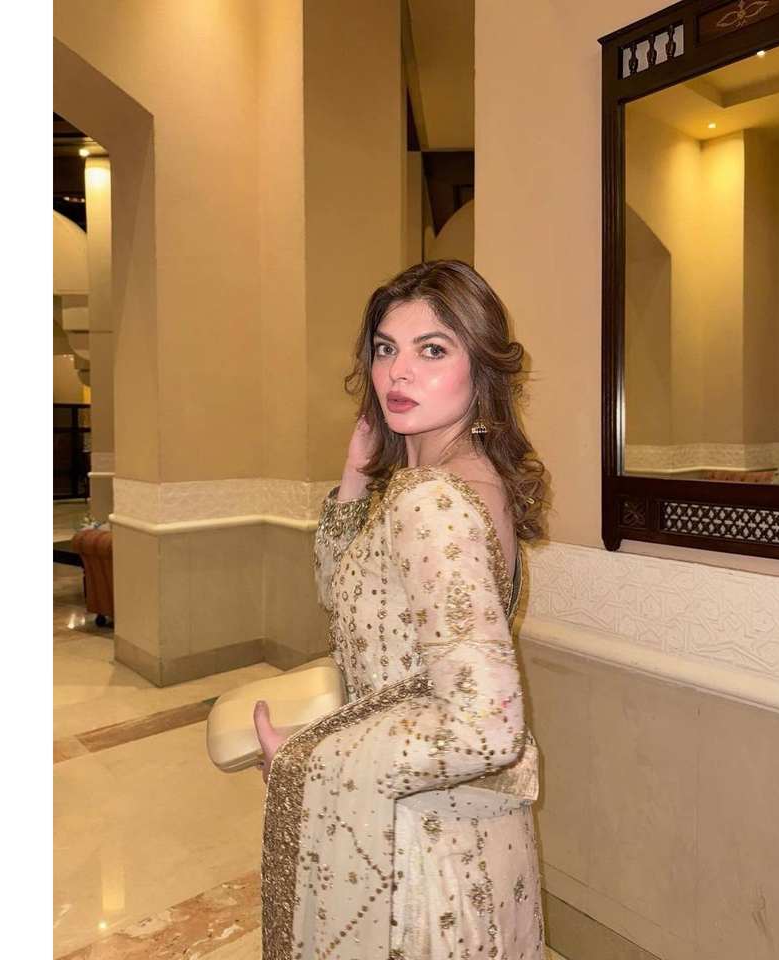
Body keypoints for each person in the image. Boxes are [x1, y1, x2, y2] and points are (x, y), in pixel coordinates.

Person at [252, 259, 548, 959]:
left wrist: (307, 754)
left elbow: (485, 728)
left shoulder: (431, 499)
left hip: (419, 851)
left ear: (481, 369)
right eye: (386, 349)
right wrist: (357, 473)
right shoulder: (462, 478)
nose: (397, 373)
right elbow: (348, 594)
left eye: (432, 350)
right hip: (465, 829)